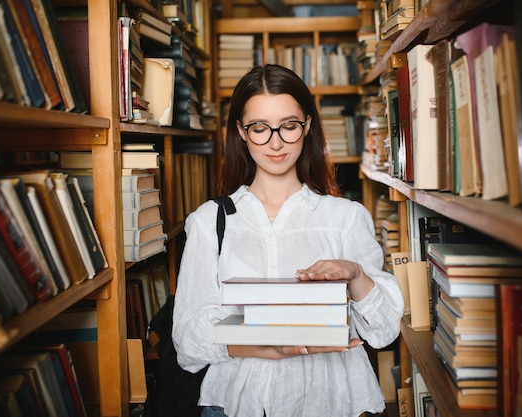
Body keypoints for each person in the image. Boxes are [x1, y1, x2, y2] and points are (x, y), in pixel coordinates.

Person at [172, 64, 404, 417]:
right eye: (260, 128)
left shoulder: (345, 217)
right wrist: (265, 346)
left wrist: (355, 274)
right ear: (241, 131)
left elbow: (384, 332)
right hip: (236, 403)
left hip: (332, 403)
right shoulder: (208, 221)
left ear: (307, 125)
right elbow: (187, 342)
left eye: (289, 126)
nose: (276, 142)